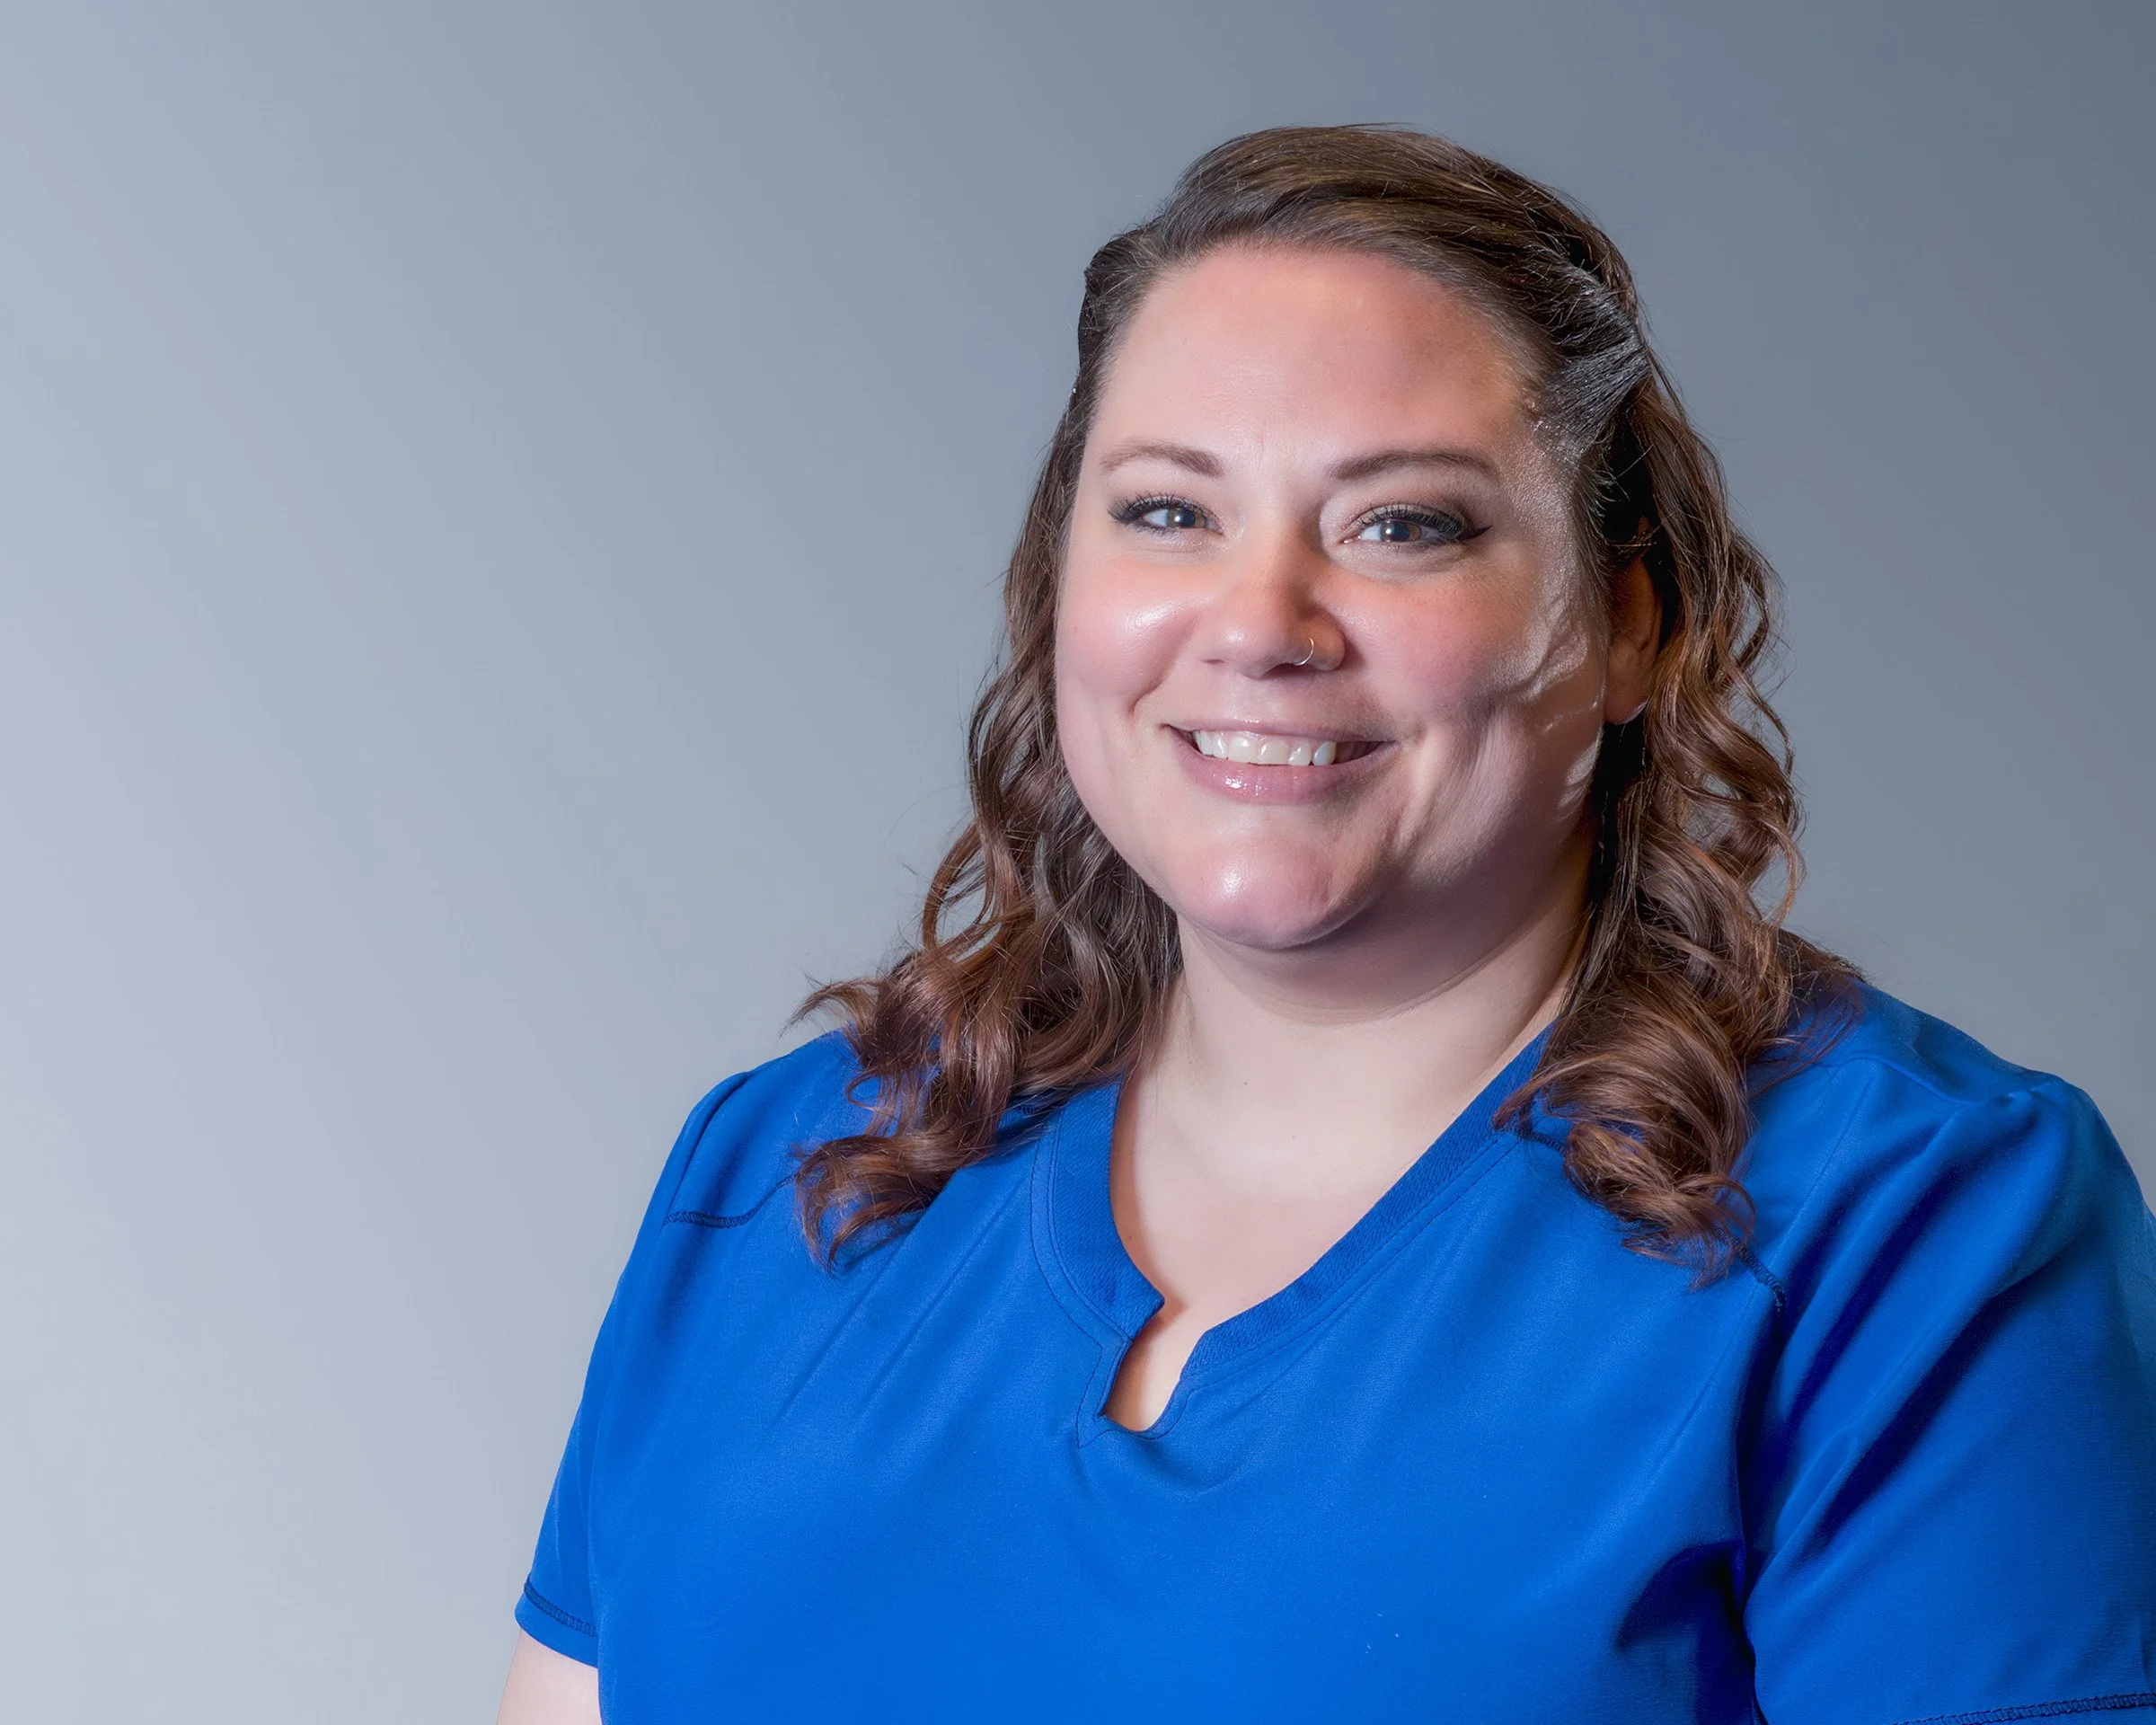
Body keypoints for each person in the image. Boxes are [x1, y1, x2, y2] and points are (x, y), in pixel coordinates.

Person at [496, 126, 2156, 1724]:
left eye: (1402, 525)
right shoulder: (790, 1171)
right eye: (1168, 512)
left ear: (1632, 625)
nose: (1261, 624)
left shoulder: (1923, 1229)